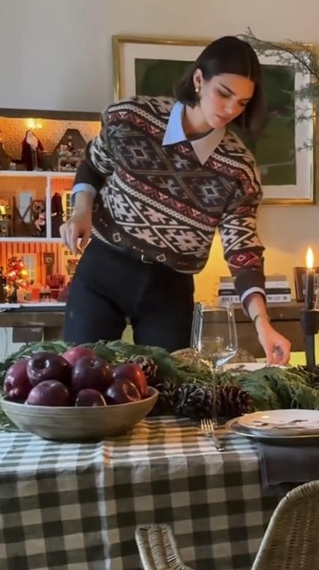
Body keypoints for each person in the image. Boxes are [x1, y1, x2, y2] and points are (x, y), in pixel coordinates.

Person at [60, 36, 291, 364]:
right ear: (199, 79)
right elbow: (92, 166)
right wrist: (80, 211)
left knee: (169, 391)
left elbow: (243, 249)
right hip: (104, 269)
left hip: (169, 289)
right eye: (223, 94)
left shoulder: (239, 168)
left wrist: (263, 324)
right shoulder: (131, 119)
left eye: (241, 103)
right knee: (77, 376)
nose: (229, 109)